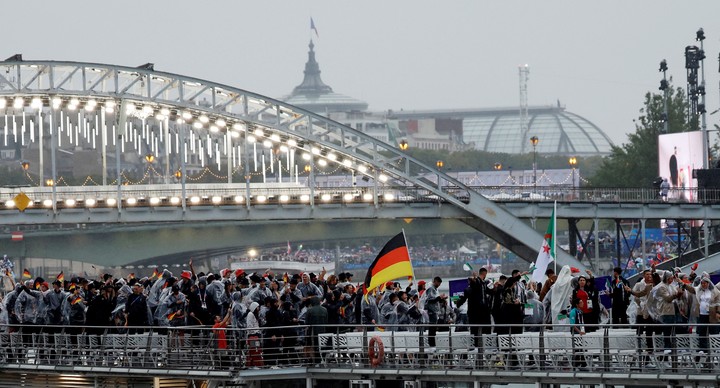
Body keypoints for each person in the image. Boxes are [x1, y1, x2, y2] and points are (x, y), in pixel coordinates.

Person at [423, 276, 447, 347]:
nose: (439, 285)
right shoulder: (431, 289)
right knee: (432, 327)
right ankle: (431, 343)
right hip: (431, 311)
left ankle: (433, 342)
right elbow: (430, 299)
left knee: (434, 328)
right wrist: (439, 297)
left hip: (435, 311)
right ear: (435, 281)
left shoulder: (435, 289)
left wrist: (442, 299)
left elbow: (435, 299)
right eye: (438, 283)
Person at [305, 296, 328, 365]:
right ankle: (322, 359)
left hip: (313, 332)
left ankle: (315, 361)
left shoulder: (309, 310)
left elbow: (307, 322)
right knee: (322, 346)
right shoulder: (325, 309)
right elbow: (326, 321)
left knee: (314, 346)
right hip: (323, 331)